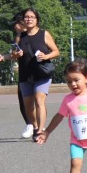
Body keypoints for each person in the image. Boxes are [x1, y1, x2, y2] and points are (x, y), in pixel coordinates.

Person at [10, 7, 60, 141]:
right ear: (23, 20)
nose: (29, 19)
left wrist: (46, 56)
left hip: (41, 74)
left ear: (37, 19)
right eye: (26, 17)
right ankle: (35, 125)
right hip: (25, 74)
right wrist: (16, 55)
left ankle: (39, 131)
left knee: (39, 100)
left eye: (32, 17)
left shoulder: (44, 34)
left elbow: (56, 51)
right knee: (28, 106)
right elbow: (13, 54)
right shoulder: (20, 36)